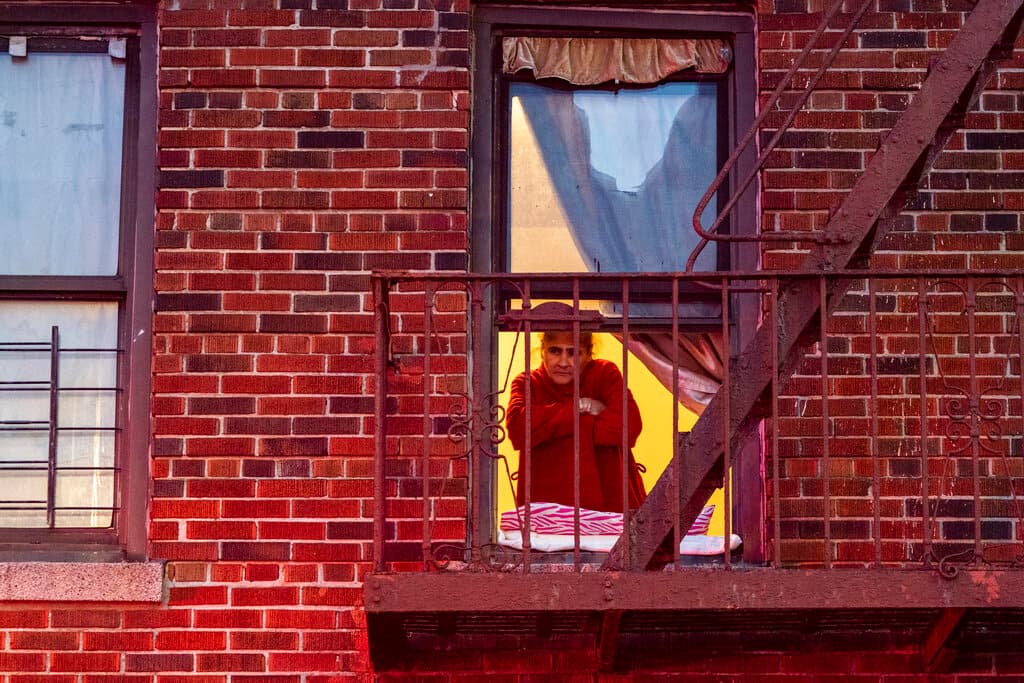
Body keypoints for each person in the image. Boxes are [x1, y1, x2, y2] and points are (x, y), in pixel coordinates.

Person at [506, 327, 646, 513]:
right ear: (543, 351)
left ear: (588, 354)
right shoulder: (528, 382)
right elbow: (518, 430)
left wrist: (547, 430)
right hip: (546, 510)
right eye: (555, 351)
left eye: (573, 352)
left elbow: (629, 427)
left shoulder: (604, 374)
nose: (563, 362)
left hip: (610, 506)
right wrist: (582, 407)